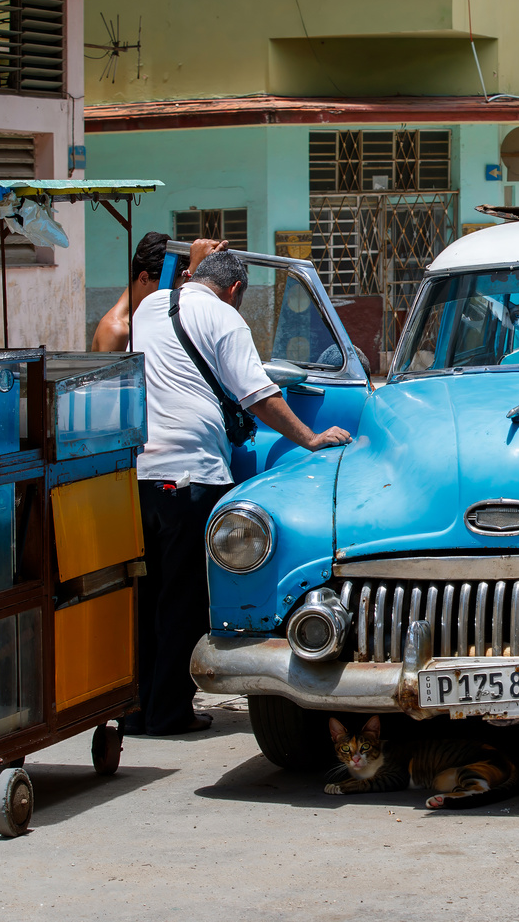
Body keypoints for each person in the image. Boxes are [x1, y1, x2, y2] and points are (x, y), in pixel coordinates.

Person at [126, 250, 352, 735]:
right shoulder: (226, 318)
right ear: (233, 291)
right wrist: (310, 439)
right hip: (193, 474)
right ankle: (167, 713)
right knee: (184, 599)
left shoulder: (149, 307)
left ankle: (135, 706)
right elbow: (259, 395)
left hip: (138, 472)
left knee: (143, 597)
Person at [92, 234, 229, 353]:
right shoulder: (117, 330)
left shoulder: (141, 316)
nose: (171, 293)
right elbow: (111, 382)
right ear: (144, 278)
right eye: (168, 285)